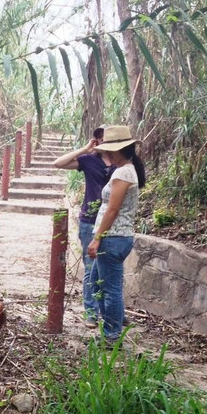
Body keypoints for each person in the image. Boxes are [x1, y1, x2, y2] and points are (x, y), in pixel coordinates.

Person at [87, 125, 147, 344]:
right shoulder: (126, 170)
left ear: (122, 149)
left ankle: (112, 336)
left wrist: (97, 238)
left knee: (110, 289)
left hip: (112, 238)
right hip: (115, 237)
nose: (107, 154)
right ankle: (112, 324)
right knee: (97, 283)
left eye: (111, 150)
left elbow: (113, 209)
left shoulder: (123, 172)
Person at [54, 126, 114, 327]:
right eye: (101, 138)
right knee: (91, 266)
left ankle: (111, 311)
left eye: (109, 138)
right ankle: (90, 311)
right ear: (96, 140)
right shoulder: (89, 161)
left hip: (113, 221)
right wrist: (85, 149)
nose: (106, 141)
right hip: (90, 220)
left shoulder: (120, 163)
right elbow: (59, 163)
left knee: (111, 267)